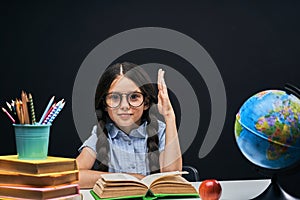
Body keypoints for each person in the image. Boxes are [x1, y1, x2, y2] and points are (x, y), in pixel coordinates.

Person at [76, 62, 182, 188]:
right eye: (115, 97)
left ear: (146, 103)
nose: (125, 106)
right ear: (105, 104)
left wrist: (169, 115)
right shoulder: (101, 133)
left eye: (134, 97)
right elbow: (74, 176)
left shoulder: (160, 131)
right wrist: (127, 178)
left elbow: (173, 177)